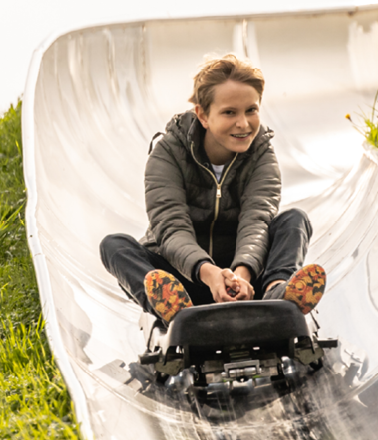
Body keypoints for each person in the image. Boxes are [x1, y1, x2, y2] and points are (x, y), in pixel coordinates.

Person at [99, 53, 326, 325]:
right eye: (229, 112)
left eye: (251, 110)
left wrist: (240, 276)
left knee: (294, 220)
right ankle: (173, 308)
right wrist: (210, 275)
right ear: (203, 115)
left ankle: (278, 294)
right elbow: (171, 227)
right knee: (114, 246)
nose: (243, 123)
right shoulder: (167, 153)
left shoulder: (262, 153)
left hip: (246, 281)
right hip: (187, 281)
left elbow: (257, 220)